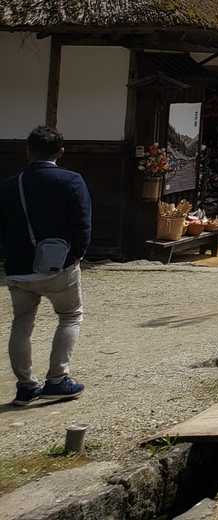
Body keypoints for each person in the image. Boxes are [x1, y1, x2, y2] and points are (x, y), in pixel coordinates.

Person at [1, 126, 90, 404]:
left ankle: (26, 386)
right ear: (60, 152)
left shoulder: (9, 185)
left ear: (28, 150)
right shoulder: (71, 181)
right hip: (59, 264)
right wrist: (76, 255)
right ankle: (58, 379)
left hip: (18, 266)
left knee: (22, 322)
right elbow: (83, 224)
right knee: (70, 315)